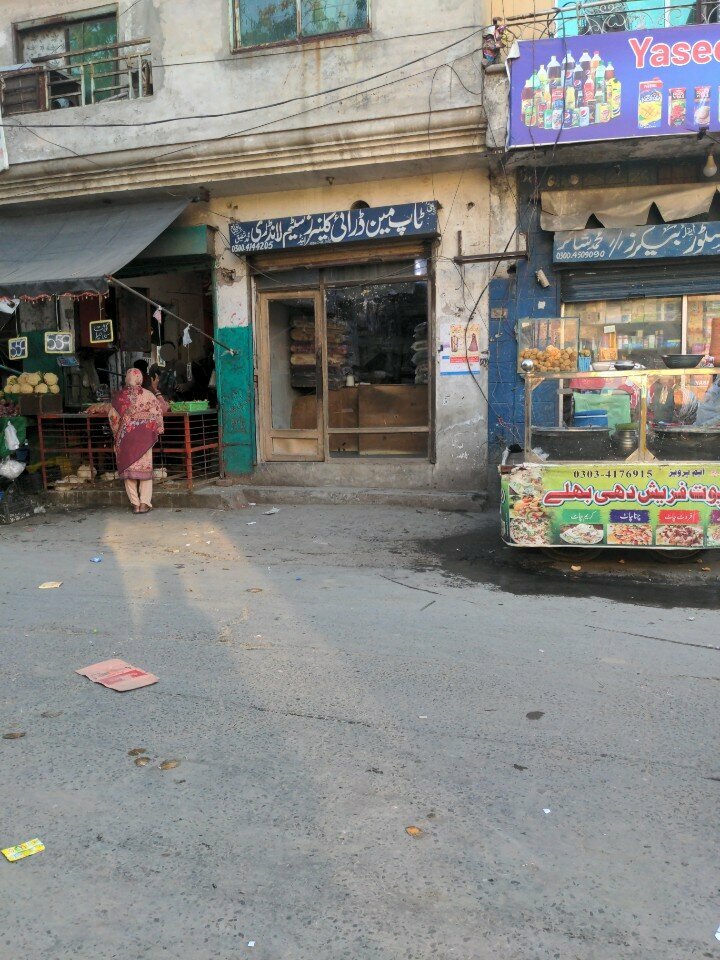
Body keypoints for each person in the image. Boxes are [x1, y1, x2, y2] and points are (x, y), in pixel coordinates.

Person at [108, 368, 166, 514]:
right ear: (140, 379)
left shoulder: (118, 397)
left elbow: (113, 417)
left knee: (128, 470)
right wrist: (157, 428)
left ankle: (135, 504)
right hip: (144, 439)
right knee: (145, 469)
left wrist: (118, 434)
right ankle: (145, 503)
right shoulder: (149, 395)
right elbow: (160, 411)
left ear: (127, 379)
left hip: (126, 439)